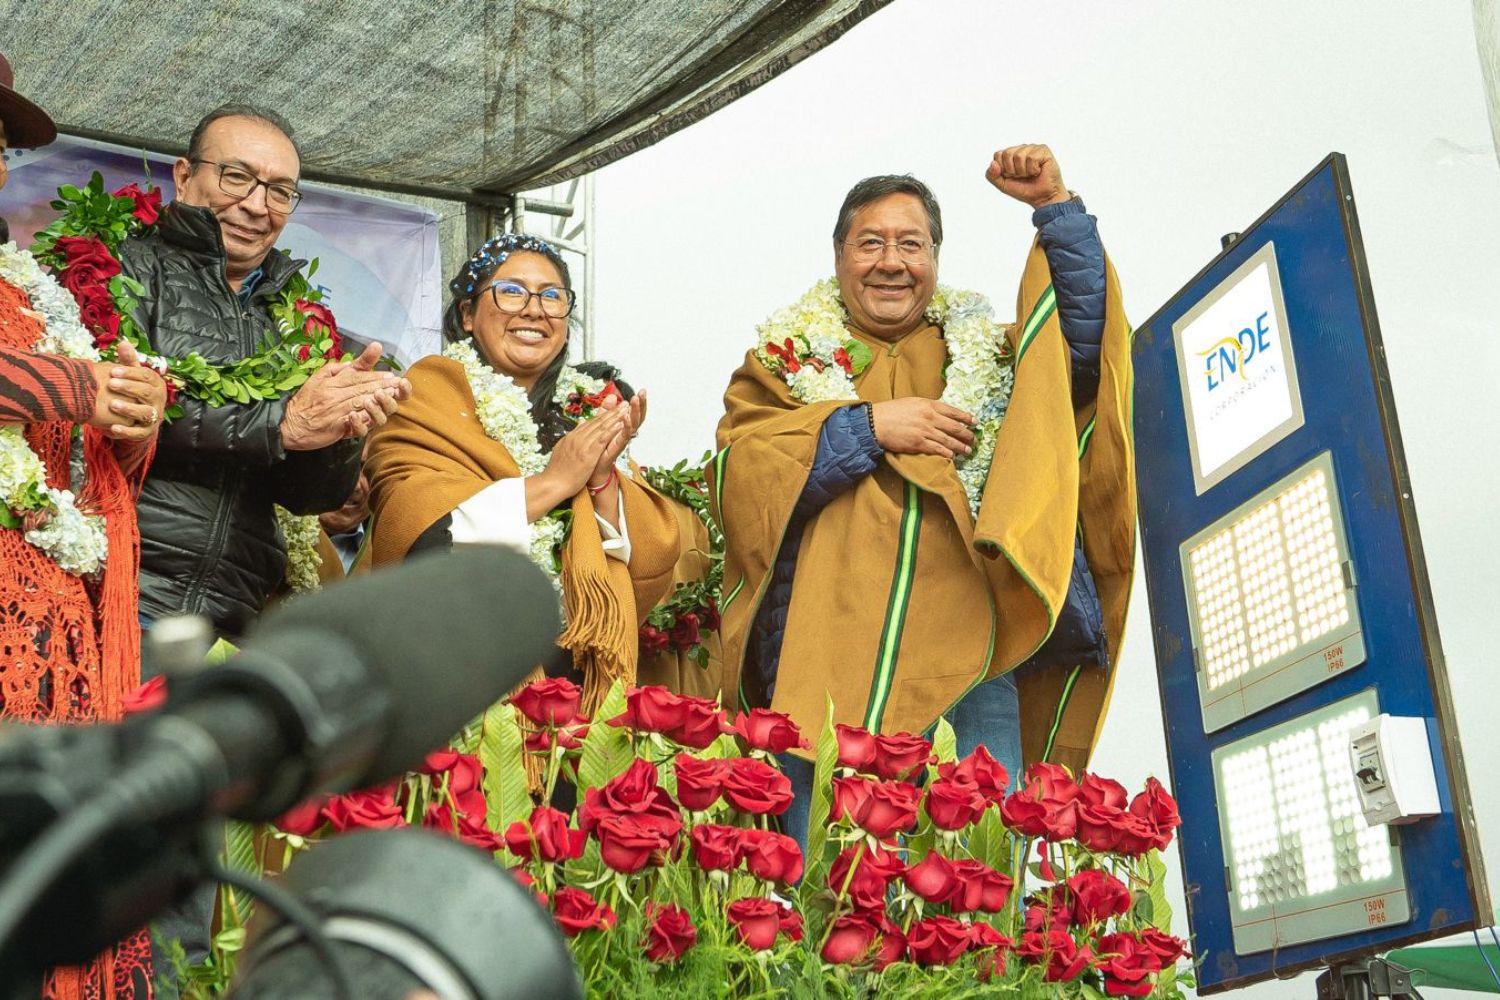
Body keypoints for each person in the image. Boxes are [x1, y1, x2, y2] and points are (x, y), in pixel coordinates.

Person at [710, 145, 1136, 842]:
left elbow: (1081, 357)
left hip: (972, 658)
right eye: (870, 242)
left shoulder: (986, 353)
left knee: (974, 882)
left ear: (934, 262)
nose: (890, 261)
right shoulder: (783, 360)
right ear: (839, 257)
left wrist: (1055, 210)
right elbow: (744, 475)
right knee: (821, 888)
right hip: (824, 660)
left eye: (912, 244)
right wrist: (866, 427)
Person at [1, 50, 167, 1000]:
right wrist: (77, 385)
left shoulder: (28, 291)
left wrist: (131, 419)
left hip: (49, 639)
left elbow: (75, 457)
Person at [118, 103, 411, 639]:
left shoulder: (291, 317)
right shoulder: (119, 266)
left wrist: (344, 428)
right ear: (184, 176)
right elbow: (118, 405)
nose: (257, 206)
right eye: (236, 177)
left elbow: (307, 497)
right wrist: (283, 424)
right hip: (120, 590)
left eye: (280, 191)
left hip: (234, 618)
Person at [365, 233, 678, 715]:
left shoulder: (587, 411)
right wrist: (555, 483)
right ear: (468, 314)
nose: (534, 310)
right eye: (512, 290)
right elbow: (418, 537)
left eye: (552, 296)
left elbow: (645, 578)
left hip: (576, 690)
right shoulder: (426, 393)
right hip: (457, 681)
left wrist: (599, 480)